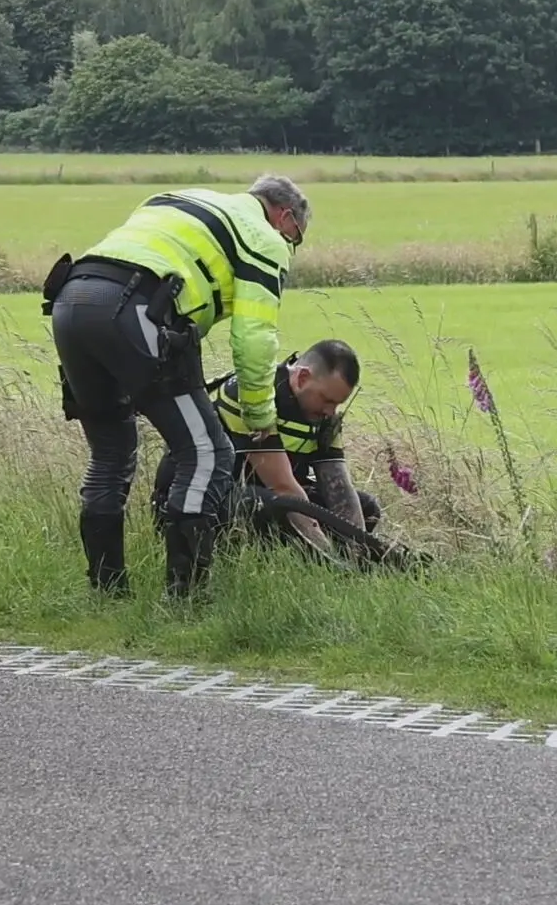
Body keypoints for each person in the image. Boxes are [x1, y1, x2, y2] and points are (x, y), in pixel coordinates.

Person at [43, 175, 309, 600]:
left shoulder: (177, 196)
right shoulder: (265, 237)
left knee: (110, 452)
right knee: (207, 452)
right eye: (295, 238)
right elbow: (255, 340)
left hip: (70, 300)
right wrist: (260, 418)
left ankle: (107, 592)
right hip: (138, 310)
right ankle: (183, 597)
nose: (290, 248)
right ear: (285, 215)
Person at [150, 340, 379, 556]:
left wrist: (358, 549)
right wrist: (329, 557)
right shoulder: (252, 395)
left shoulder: (326, 417)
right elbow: (282, 487)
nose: (331, 412)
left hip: (263, 493)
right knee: (272, 506)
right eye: (327, 400)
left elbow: (338, 487)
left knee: (366, 508)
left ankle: (311, 559)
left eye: (337, 404)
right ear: (302, 378)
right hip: (200, 500)